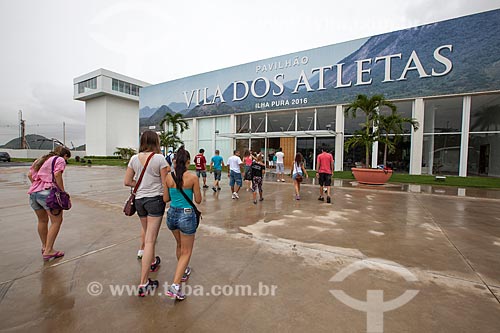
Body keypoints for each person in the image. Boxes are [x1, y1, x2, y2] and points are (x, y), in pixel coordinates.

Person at [124, 130, 169, 297]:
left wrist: (141, 185)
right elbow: (166, 183)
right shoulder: (159, 158)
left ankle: (152, 261)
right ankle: (144, 283)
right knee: (150, 239)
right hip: (155, 201)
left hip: (139, 201)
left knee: (148, 236)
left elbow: (127, 181)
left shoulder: (134, 158)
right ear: (155, 141)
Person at [163, 147, 202, 300]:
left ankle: (183, 272)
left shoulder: (168, 177)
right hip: (186, 215)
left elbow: (165, 199)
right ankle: (175, 285)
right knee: (187, 251)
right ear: (187, 162)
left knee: (180, 246)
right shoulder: (192, 178)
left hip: (172, 214)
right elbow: (198, 200)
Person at [28, 146, 71, 261]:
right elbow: (57, 175)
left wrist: (37, 186)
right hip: (48, 193)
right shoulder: (59, 160)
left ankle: (44, 247)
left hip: (34, 194)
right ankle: (49, 250)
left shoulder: (41, 159)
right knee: (56, 221)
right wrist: (62, 192)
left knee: (42, 221)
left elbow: (29, 175)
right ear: (65, 155)